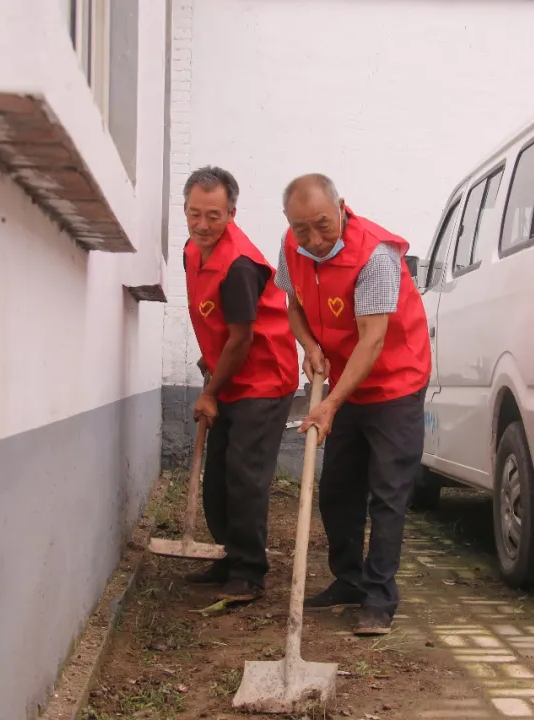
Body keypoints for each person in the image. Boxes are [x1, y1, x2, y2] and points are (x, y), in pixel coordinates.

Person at [274, 173, 431, 636]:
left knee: (387, 492)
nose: (314, 239)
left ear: (342, 208)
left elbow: (373, 339)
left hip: (394, 383)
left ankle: (380, 598)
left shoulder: (375, 255)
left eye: (323, 224)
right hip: (344, 382)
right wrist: (308, 345)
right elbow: (293, 305)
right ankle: (348, 579)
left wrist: (330, 404)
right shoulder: (291, 245)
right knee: (339, 487)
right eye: (302, 229)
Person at [182, 166, 300, 603]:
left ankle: (250, 573)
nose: (202, 225)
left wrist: (210, 391)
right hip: (230, 372)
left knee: (244, 476)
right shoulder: (192, 252)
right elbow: (213, 317)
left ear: (231, 213)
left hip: (264, 379)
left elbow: (243, 336)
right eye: (194, 214)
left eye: (213, 216)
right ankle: (230, 557)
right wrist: (210, 359)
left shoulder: (239, 264)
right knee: (217, 477)